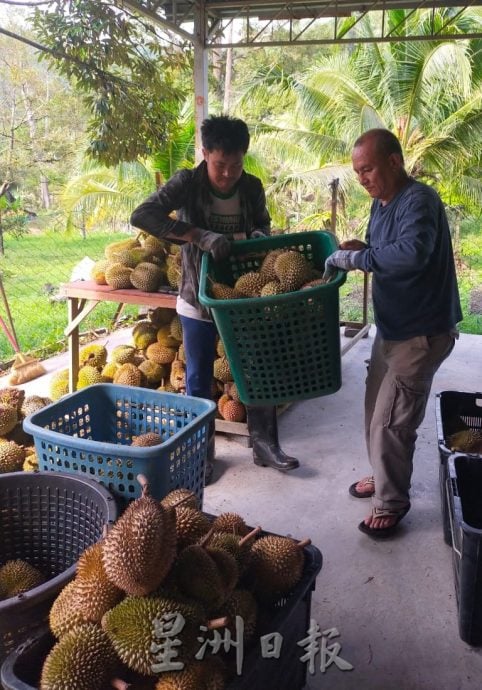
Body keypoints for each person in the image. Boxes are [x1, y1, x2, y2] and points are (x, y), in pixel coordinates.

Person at [130, 114, 299, 484]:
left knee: (259, 369)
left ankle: (264, 444)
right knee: (198, 375)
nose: (227, 174)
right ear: (205, 154)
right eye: (220, 165)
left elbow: (263, 225)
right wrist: (196, 234)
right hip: (198, 294)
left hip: (243, 294)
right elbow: (143, 214)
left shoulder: (251, 187)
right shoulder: (187, 184)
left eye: (235, 165)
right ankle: (201, 456)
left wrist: (255, 235)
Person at [323, 128, 462, 539]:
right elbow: (385, 247)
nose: (362, 178)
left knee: (392, 422)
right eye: (357, 172)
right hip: (393, 330)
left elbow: (413, 252)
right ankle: (382, 475)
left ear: (394, 162)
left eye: (368, 169)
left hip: (421, 333)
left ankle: (392, 502)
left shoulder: (419, 199)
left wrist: (357, 257)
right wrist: (361, 245)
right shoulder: (381, 204)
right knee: (374, 413)